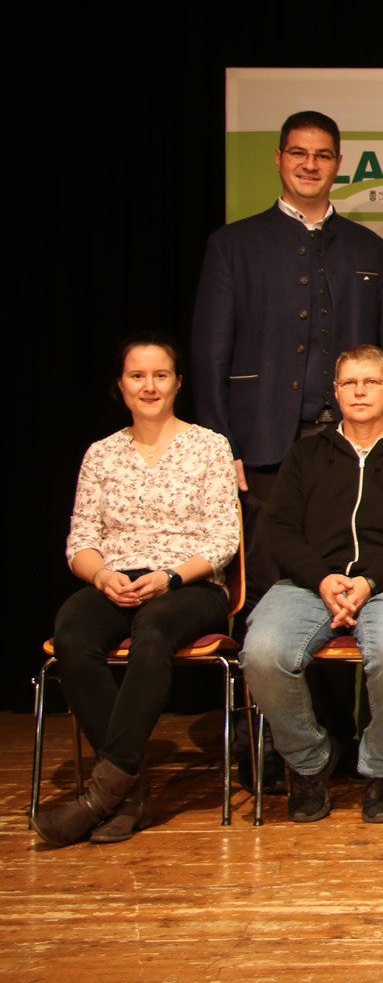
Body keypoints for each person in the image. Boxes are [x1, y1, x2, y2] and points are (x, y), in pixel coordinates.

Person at [193, 110, 383, 785]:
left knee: (349, 585)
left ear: (337, 163)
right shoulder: (234, 244)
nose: (310, 164)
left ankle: (340, 737)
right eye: (298, 153)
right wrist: (221, 443)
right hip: (263, 443)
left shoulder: (367, 248)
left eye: (322, 155)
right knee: (269, 592)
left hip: (352, 449)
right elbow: (209, 350)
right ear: (279, 159)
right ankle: (270, 746)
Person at [33, 336, 238, 847]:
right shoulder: (102, 454)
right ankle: (130, 791)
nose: (149, 386)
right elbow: (82, 540)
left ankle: (102, 794)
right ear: (120, 386)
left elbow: (223, 539)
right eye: (137, 376)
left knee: (154, 629)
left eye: (160, 375)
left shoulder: (209, 446)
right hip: (117, 580)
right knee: (72, 635)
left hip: (189, 583)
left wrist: (170, 577)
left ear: (178, 383)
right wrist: (102, 576)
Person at [241, 346, 383, 824]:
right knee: (262, 653)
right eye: (349, 383)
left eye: (371, 382)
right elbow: (280, 529)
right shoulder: (306, 454)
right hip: (312, 582)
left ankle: (382, 770)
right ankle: (309, 762)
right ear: (335, 392)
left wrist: (371, 581)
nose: (360, 392)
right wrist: (321, 578)